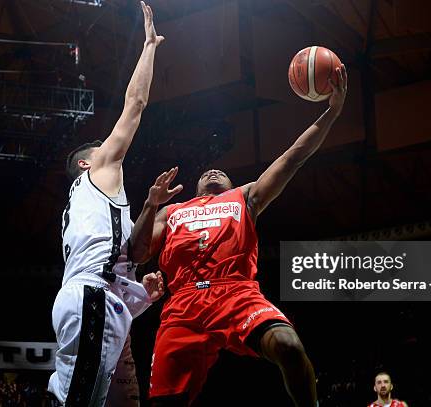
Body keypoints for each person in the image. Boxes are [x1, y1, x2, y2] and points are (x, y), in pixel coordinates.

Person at [129, 65, 348, 406]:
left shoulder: (245, 197)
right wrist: (148, 204)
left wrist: (331, 113)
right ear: (197, 186)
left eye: (222, 172)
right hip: (183, 305)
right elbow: (140, 253)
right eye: (207, 172)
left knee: (289, 346)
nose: (214, 171)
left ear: (231, 185)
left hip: (235, 292)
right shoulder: (171, 211)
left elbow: (293, 159)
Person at [47, 2, 167, 406]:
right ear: (86, 161)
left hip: (89, 298)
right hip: (89, 299)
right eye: (102, 149)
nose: (112, 150)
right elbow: (134, 105)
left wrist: (140, 293)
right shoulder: (98, 168)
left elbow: (122, 253)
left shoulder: (83, 207)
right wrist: (149, 46)